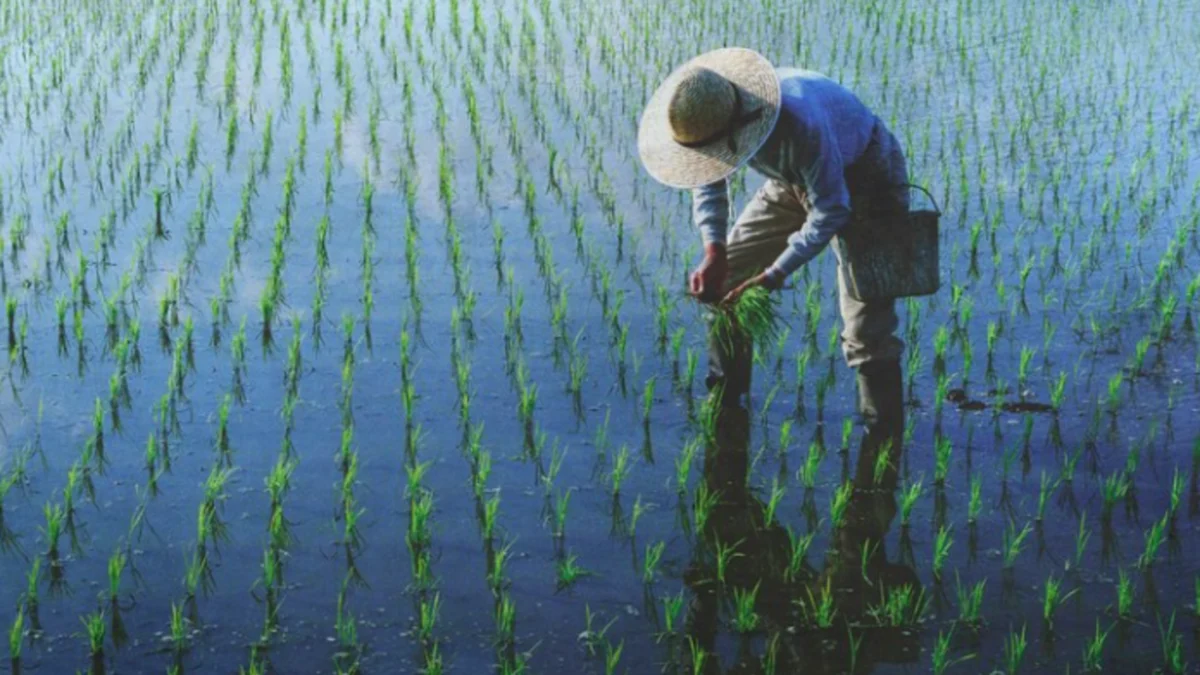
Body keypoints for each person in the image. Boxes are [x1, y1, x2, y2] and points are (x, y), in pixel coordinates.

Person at [636, 47, 907, 420]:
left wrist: (774, 274)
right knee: (727, 281)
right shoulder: (711, 120)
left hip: (868, 179)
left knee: (866, 330)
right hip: (793, 179)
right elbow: (709, 176)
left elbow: (832, 208)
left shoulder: (799, 121)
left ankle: (881, 439)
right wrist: (714, 248)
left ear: (737, 127)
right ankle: (726, 402)